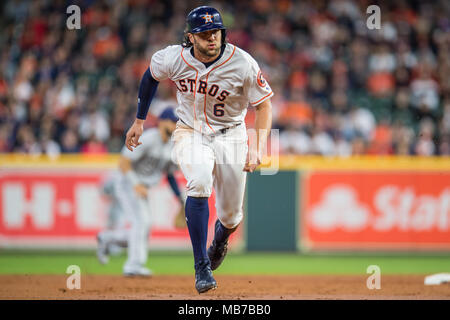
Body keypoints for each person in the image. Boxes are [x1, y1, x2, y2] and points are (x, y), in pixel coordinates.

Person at [125, 6, 273, 293]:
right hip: (190, 131)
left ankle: (220, 239)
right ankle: (201, 267)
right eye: (204, 34)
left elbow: (264, 104)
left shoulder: (242, 63)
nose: (211, 38)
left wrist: (258, 147)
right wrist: (139, 120)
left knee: (231, 216)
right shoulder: (173, 57)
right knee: (200, 181)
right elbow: (150, 77)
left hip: (232, 135)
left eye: (215, 32)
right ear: (190, 37)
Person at [97, 107, 186, 276]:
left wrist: (179, 198)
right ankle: (133, 265)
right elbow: (124, 162)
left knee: (143, 227)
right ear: (162, 122)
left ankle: (107, 239)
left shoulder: (171, 146)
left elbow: (169, 175)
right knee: (142, 223)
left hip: (141, 187)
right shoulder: (149, 138)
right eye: (172, 121)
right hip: (127, 183)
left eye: (177, 122)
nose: (175, 125)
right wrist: (135, 183)